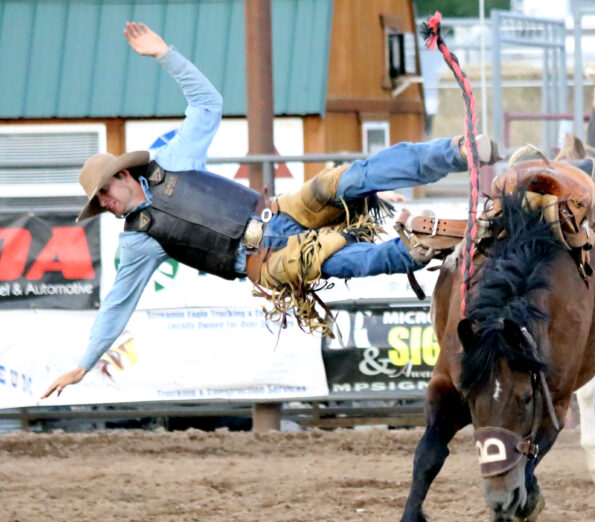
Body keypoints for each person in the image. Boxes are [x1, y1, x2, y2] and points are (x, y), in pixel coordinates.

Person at [42, 22, 496, 399]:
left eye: (103, 194)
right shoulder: (139, 240)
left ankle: (455, 153)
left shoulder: (171, 160)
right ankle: (430, 242)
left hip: (280, 211)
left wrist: (166, 55)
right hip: (268, 263)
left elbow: (207, 105)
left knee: (349, 178)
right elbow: (117, 308)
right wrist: (83, 365)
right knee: (346, 259)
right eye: (99, 203)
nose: (105, 204)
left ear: (122, 177)